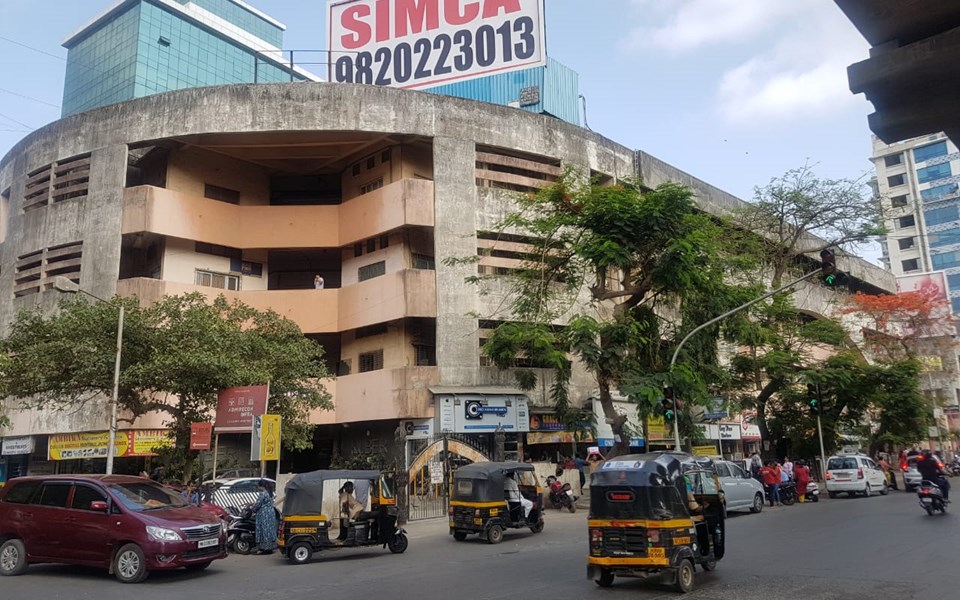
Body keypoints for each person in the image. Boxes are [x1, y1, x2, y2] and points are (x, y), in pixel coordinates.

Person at [252, 479, 278, 554]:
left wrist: (253, 509)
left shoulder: (263, 494)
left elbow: (258, 504)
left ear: (261, 486)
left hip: (263, 514)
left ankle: (264, 548)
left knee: (263, 529)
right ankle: (271, 546)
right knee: (270, 529)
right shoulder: (270, 493)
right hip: (271, 513)